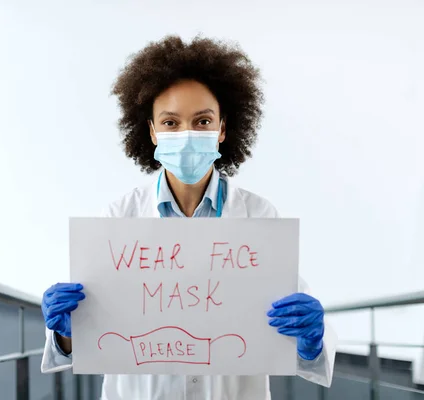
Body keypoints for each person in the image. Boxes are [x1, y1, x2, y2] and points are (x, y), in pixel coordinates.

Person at [40, 35, 336, 400]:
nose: (187, 135)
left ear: (222, 129)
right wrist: (67, 330)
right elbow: (75, 346)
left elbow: (300, 348)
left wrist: (311, 339)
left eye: (202, 121)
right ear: (151, 132)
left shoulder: (259, 217)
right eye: (170, 123)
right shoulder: (118, 219)